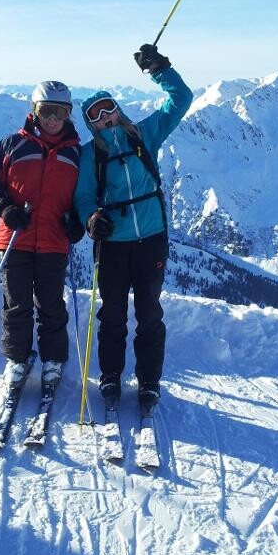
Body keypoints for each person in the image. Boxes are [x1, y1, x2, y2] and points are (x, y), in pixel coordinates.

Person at [74, 44, 193, 409]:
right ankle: (110, 375)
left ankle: (149, 381)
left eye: (108, 108)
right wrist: (92, 218)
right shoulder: (90, 154)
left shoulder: (143, 135)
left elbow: (181, 99)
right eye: (96, 114)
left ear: (118, 109)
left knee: (149, 313)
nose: (105, 117)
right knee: (111, 314)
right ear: (90, 123)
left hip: (151, 240)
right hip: (113, 244)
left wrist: (158, 69)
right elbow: (83, 197)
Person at [0, 81, 85, 388]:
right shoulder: (13, 145)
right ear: (33, 111)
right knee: (16, 303)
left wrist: (78, 220)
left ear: (68, 115)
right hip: (15, 237)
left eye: (60, 112)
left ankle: (53, 359)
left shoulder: (77, 154)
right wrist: (4, 207)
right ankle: (17, 358)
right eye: (45, 110)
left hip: (54, 239)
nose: (52, 119)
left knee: (51, 304)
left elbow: (86, 194)